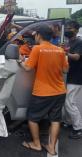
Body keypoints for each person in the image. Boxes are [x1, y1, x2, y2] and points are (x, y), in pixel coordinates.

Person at [17, 24, 68, 156]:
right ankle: (51, 147)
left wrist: (21, 62)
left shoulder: (37, 49)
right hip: (59, 91)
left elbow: (28, 68)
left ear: (39, 35)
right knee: (55, 120)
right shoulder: (60, 50)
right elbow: (65, 70)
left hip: (42, 92)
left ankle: (36, 144)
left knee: (32, 118)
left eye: (35, 35)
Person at [64, 20, 82, 139]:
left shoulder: (79, 42)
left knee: (69, 102)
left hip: (76, 77)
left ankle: (78, 128)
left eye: (69, 28)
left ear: (76, 30)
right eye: (67, 28)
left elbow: (76, 57)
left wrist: (65, 52)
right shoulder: (69, 41)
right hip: (69, 76)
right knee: (67, 101)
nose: (67, 30)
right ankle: (69, 122)